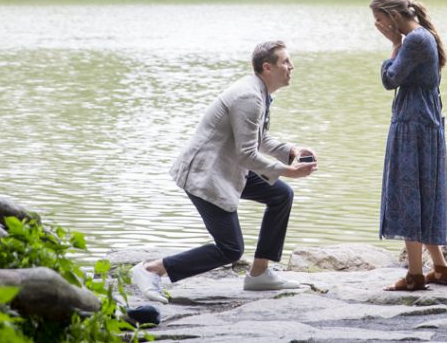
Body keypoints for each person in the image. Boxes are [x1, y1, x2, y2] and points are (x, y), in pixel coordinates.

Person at [129, 41, 318, 302]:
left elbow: (257, 139)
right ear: (267, 67)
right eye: (285, 61)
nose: (291, 66)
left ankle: (259, 274)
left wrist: (292, 151)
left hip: (229, 169)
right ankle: (151, 270)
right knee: (230, 249)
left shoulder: (258, 92)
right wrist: (288, 170)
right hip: (205, 175)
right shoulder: (249, 97)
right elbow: (246, 154)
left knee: (280, 195)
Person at [369, 0, 447, 291]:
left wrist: (393, 45)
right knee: (422, 194)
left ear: (392, 17)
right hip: (424, 122)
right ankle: (441, 268)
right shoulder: (422, 37)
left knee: (409, 195)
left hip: (413, 125)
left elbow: (390, 79)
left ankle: (415, 275)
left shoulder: (414, 40)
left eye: (379, 20)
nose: (377, 26)